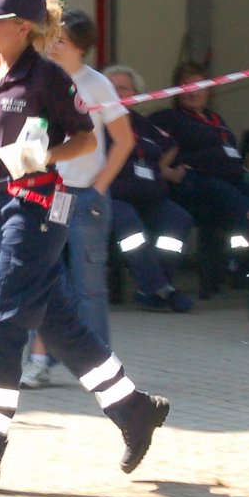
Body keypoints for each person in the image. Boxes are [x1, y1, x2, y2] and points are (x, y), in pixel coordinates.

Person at [0, 0, 169, 487]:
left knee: (2, 320)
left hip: (41, 207)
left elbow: (86, 139)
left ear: (22, 27)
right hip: (3, 203)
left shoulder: (46, 77)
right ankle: (133, 409)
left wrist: (44, 154)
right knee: (63, 328)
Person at [21, 7, 132, 390]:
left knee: (89, 285)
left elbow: (124, 140)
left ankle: (100, 367)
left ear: (80, 48)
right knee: (44, 281)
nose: (53, 46)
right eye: (50, 38)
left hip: (85, 196)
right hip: (46, 194)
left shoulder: (97, 84)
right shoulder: (39, 79)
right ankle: (38, 361)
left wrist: (99, 187)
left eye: (62, 41)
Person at [147, 60, 249, 295]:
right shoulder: (167, 118)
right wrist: (172, 170)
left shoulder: (216, 120)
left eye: (199, 85)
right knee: (244, 208)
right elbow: (154, 155)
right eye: (186, 85)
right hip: (195, 183)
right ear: (176, 90)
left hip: (232, 178)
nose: (193, 91)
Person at [103, 65, 196, 313]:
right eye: (111, 87)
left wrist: (163, 169)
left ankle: (151, 289)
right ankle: (160, 288)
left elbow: (170, 145)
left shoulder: (143, 124)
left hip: (151, 197)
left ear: (136, 93)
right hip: (113, 196)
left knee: (179, 218)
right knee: (130, 225)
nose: (117, 92)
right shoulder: (95, 121)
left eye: (123, 87)